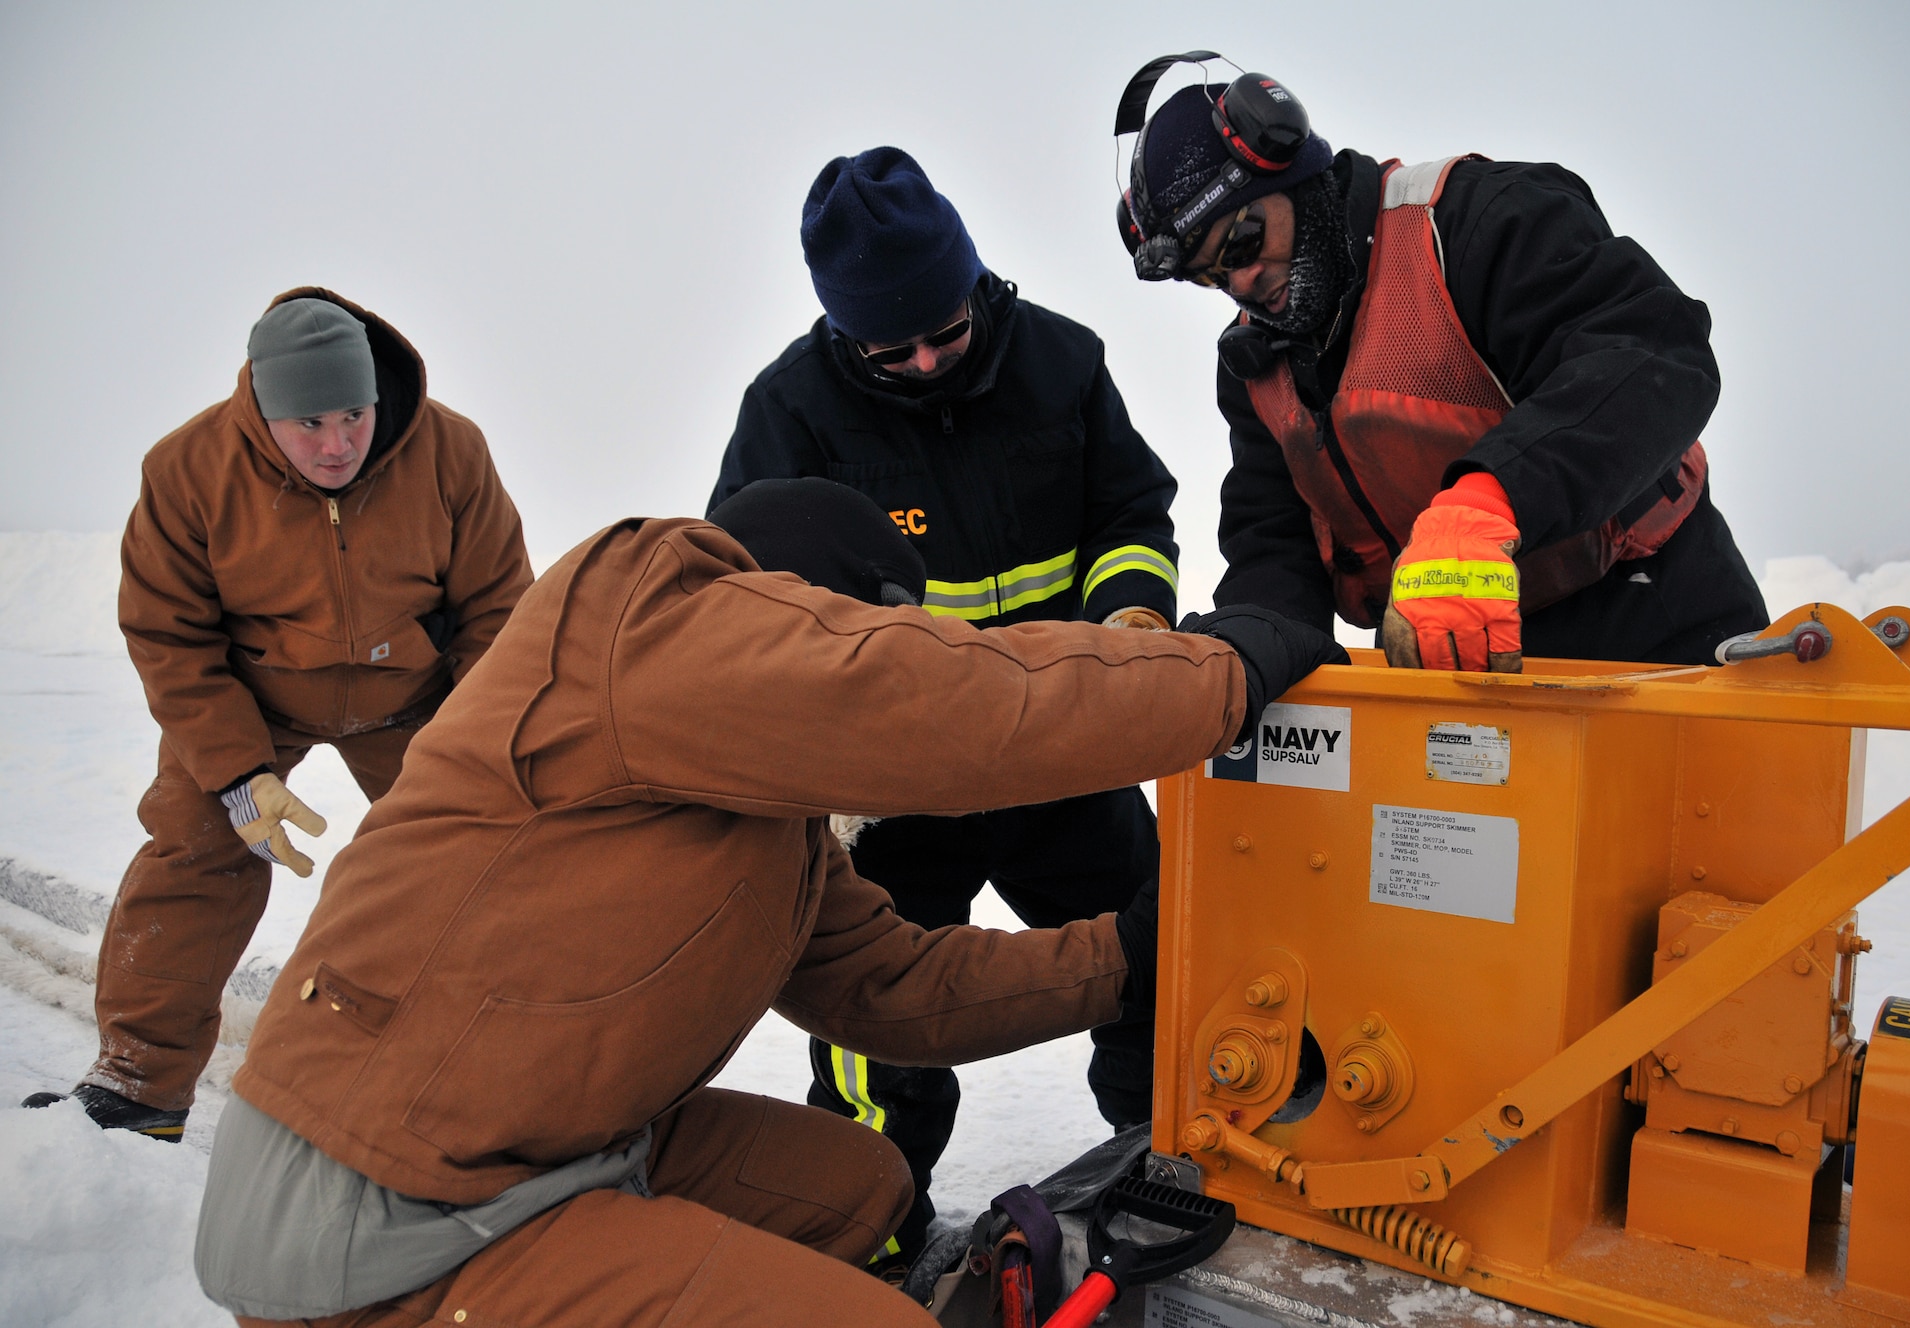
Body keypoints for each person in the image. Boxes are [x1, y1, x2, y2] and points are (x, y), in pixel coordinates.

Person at [190, 477, 1343, 1328]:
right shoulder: (645, 619)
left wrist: (1131, 953)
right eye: (845, 628)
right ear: (791, 617)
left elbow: (900, 988)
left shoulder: (767, 829)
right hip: (379, 1211)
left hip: (549, 1152)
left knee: (861, 1186)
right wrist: (1223, 673)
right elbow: (942, 700)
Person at [709, 146, 1183, 1261]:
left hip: (1059, 757)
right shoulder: (787, 411)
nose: (923, 360)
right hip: (894, 793)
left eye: (945, 332)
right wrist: (812, 772)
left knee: (1157, 950)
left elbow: (1131, 509)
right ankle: (875, 1229)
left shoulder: (1062, 362)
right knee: (882, 1027)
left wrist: (1129, 622)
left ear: (973, 282)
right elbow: (743, 598)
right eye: (890, 346)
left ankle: (1175, 1158)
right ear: (841, 331)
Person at [23, 289, 532, 1140]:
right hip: (254, 702)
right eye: (309, 424)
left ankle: (493, 1089)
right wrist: (233, 772)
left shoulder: (451, 452)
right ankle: (138, 1085)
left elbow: (499, 612)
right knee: (193, 850)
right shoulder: (187, 471)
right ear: (261, 408)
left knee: (488, 863)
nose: (336, 445)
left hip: (415, 701)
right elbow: (167, 632)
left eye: (353, 416)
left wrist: (472, 748)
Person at [1113, 54, 1768, 672]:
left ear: (1291, 169)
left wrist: (1488, 499)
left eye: (1245, 240)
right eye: (1210, 278)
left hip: (1655, 621)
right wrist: (1253, 651)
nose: (1244, 281)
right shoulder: (1257, 365)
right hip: (1447, 663)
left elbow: (1651, 355)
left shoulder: (1477, 224)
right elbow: (1274, 544)